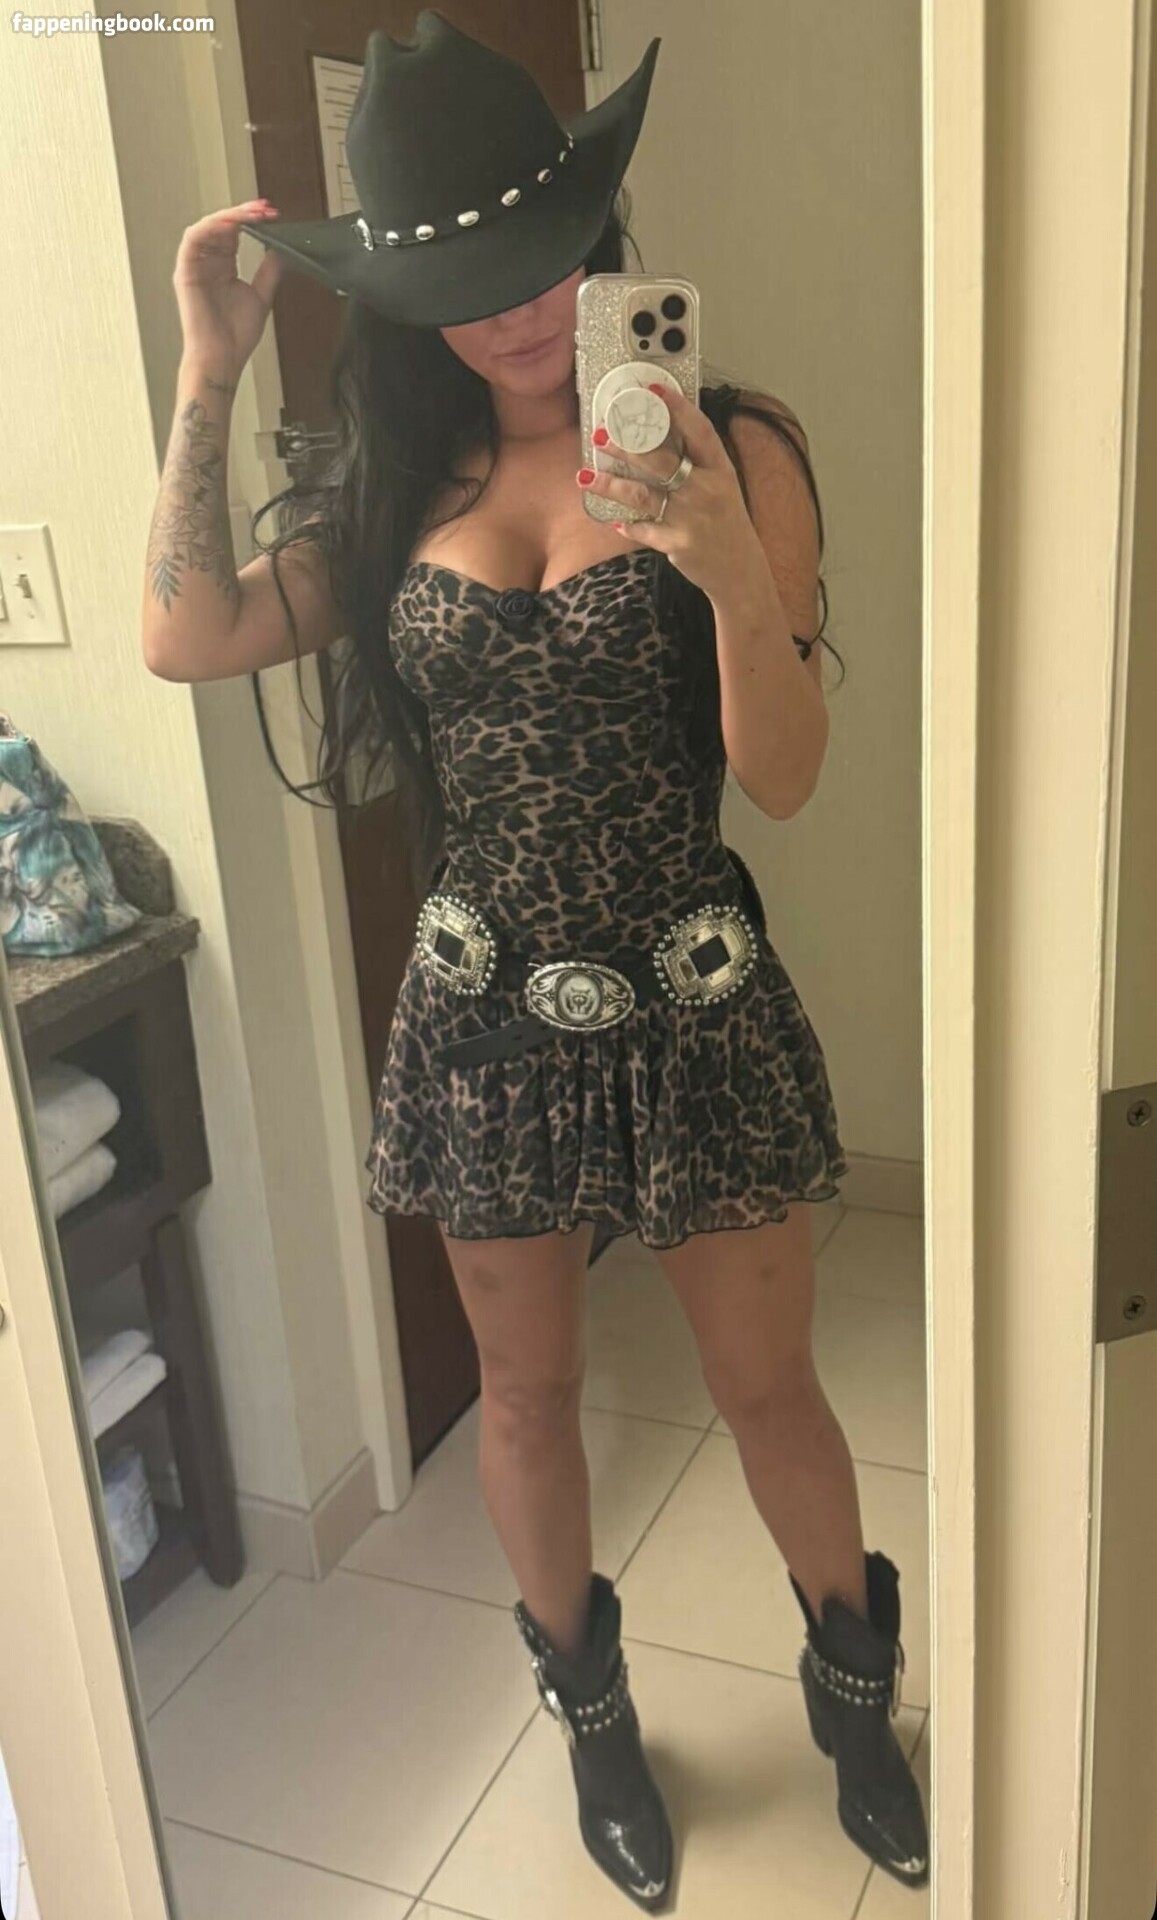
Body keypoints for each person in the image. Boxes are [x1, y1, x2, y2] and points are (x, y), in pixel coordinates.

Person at [142, 12, 928, 1909]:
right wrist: (206, 370)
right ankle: (592, 1725)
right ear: (400, 301)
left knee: (767, 1390)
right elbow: (183, 635)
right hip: (483, 1017)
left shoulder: (729, 444)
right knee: (522, 1398)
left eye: (539, 254)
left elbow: (784, 775)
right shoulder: (389, 489)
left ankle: (852, 1705)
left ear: (597, 225)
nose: (510, 310)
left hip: (695, 999)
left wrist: (724, 561)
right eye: (460, 280)